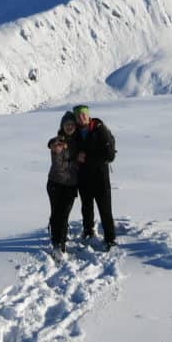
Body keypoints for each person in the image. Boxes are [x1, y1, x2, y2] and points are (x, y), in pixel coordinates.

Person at [71, 104, 117, 249]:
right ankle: (88, 230)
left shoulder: (99, 129)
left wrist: (87, 158)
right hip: (83, 178)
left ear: (88, 115)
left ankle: (110, 238)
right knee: (86, 207)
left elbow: (109, 155)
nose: (81, 117)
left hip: (100, 177)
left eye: (83, 114)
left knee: (105, 209)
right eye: (78, 115)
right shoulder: (75, 132)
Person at [46, 111, 79, 255]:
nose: (69, 127)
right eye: (67, 125)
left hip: (71, 185)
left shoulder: (79, 141)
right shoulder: (58, 142)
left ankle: (62, 241)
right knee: (56, 213)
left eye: (72, 124)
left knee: (64, 214)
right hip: (55, 183)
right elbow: (53, 147)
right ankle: (57, 241)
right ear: (62, 126)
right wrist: (55, 147)